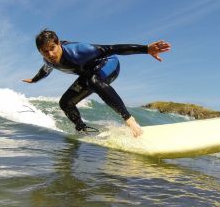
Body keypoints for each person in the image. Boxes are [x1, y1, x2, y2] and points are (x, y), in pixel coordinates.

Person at [22, 29, 171, 137]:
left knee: (93, 80)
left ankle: (130, 121)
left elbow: (114, 49)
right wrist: (34, 80)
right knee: (65, 103)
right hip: (88, 74)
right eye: (44, 51)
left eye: (52, 48)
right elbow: (45, 69)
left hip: (108, 64)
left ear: (58, 44)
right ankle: (82, 129)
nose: (50, 54)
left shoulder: (80, 51)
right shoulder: (48, 60)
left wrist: (146, 49)